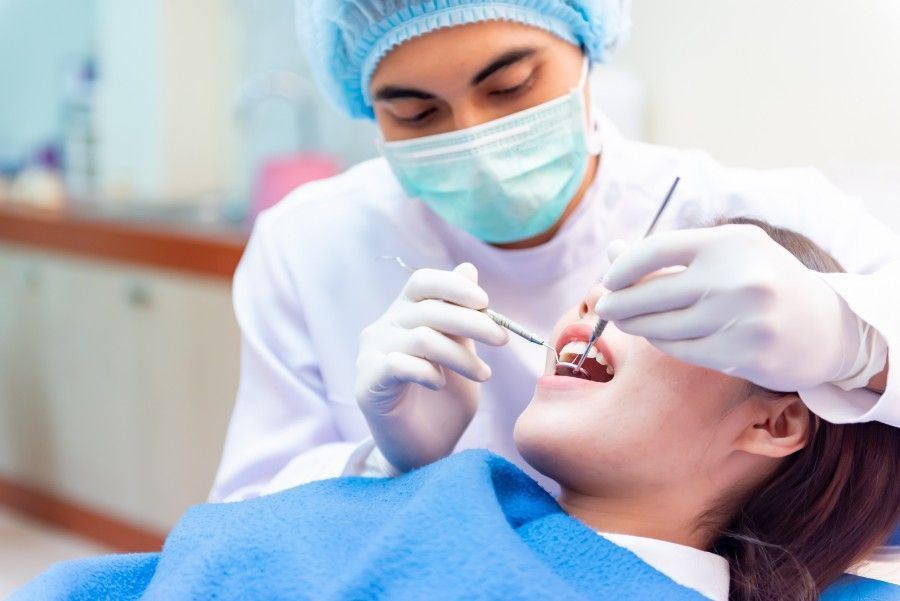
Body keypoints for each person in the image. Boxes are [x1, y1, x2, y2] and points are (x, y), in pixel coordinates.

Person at [210, 0, 899, 502]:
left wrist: (857, 343)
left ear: (586, 49)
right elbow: (244, 527)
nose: (475, 137)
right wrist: (381, 463)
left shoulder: (755, 215)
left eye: (510, 86)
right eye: (416, 114)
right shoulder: (312, 243)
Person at [19, 221, 900, 601]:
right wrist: (378, 468)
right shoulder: (448, 490)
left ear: (778, 418)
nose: (591, 309)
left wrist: (861, 345)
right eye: (602, 286)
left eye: (661, 305)